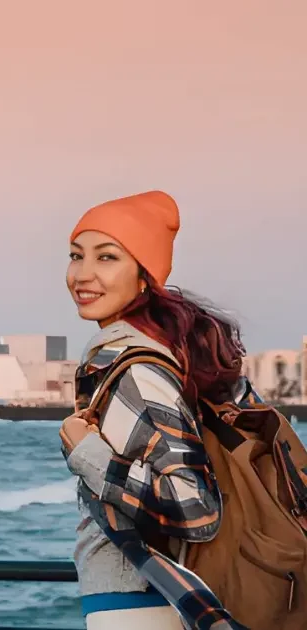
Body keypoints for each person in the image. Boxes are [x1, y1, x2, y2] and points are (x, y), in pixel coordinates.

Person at [60, 191, 249, 629]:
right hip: (150, 597)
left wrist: (87, 452)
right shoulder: (149, 355)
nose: (82, 274)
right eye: (76, 255)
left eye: (107, 257)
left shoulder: (136, 369)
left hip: (142, 599)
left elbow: (194, 507)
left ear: (144, 276)